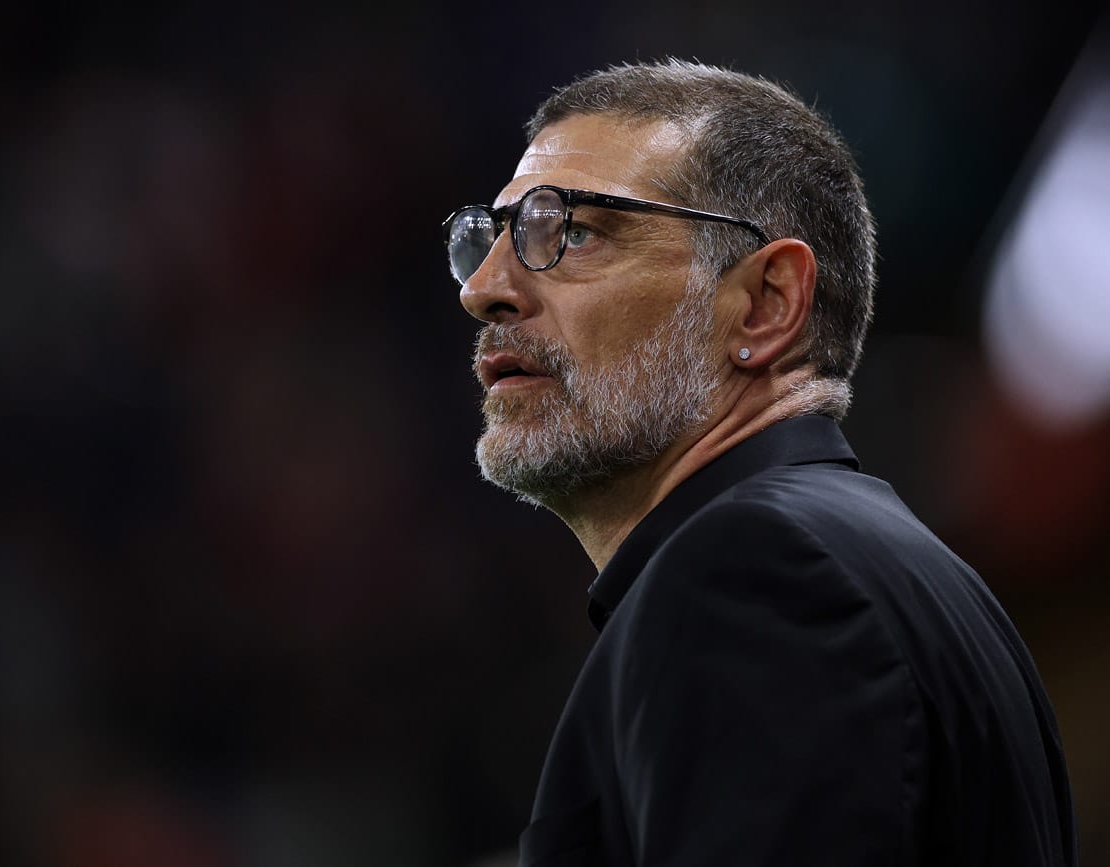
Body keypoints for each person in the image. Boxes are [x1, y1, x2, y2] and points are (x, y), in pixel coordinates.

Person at [444, 60, 1079, 866]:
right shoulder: (887, 572)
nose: (484, 289)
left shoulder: (756, 574)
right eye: (490, 237)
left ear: (766, 303)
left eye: (570, 230)